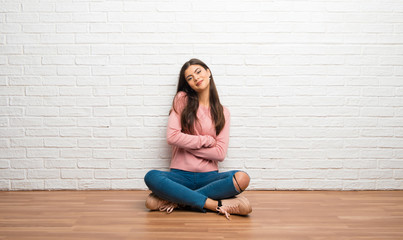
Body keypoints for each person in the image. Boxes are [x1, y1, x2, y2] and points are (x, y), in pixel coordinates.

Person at [144, 58, 252, 220]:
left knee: (242, 178)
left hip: (210, 178)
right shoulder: (182, 99)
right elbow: (172, 137)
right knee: (151, 176)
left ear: (208, 72)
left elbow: (220, 153)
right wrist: (206, 141)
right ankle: (216, 205)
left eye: (198, 72)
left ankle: (177, 200)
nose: (195, 78)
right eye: (189, 77)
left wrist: (186, 142)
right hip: (179, 176)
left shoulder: (223, 112)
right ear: (188, 84)